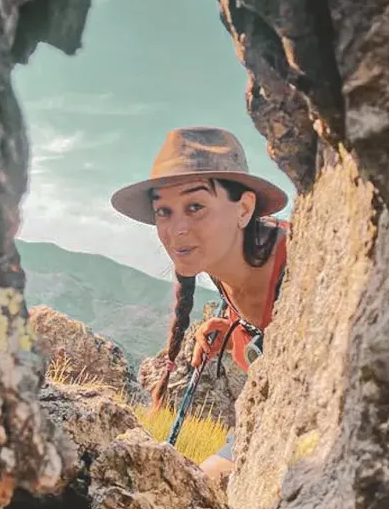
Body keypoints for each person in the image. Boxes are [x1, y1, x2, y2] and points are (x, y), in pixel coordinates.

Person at [110, 126, 290, 485]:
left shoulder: (299, 262)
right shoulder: (227, 263)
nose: (177, 229)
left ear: (244, 209)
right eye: (164, 211)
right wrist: (231, 323)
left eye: (195, 207)